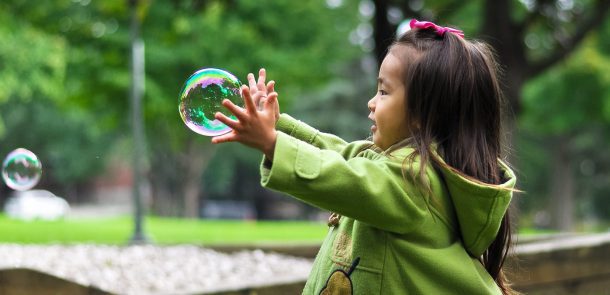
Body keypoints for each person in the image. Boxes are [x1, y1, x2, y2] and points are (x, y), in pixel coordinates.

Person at [211, 19, 518, 295]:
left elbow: (345, 178)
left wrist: (272, 143)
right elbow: (342, 155)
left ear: (424, 115)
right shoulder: (400, 167)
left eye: (384, 92)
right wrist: (278, 126)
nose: (372, 103)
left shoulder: (415, 182)